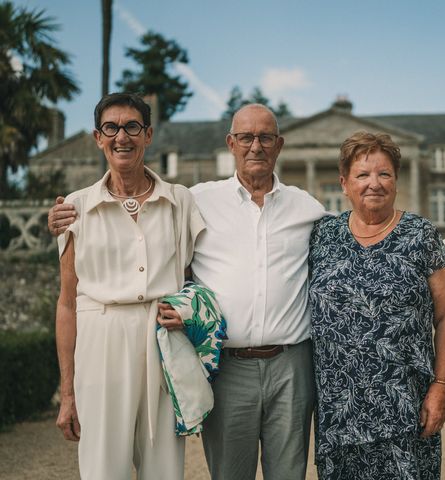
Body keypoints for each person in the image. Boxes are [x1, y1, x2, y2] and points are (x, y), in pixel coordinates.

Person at [49, 103, 326, 480]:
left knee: (179, 469)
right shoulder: (189, 199)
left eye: (265, 138)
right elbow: (71, 298)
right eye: (246, 137)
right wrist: (67, 394)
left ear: (279, 145)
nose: (255, 146)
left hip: (252, 359)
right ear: (231, 143)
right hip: (201, 361)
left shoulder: (304, 208)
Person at [54, 93, 205, 479]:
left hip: (163, 343)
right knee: (104, 468)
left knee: (164, 469)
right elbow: (67, 303)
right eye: (112, 128)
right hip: (101, 342)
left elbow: (203, 275)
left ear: (149, 134)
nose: (122, 136)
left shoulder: (180, 201)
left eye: (132, 127)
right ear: (97, 137)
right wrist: (67, 394)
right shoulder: (75, 207)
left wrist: (189, 313)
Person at [308, 131, 445, 479]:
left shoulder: (419, 234)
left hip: (405, 407)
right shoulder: (322, 236)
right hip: (339, 412)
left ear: (395, 180)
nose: (373, 183)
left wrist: (441, 387)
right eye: (362, 175)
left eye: (384, 174)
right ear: (344, 183)